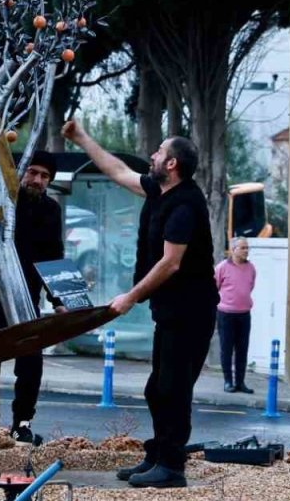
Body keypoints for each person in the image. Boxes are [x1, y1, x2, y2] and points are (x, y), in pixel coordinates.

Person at [63, 121, 218, 489]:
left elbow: (171, 263)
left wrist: (129, 297)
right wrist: (81, 137)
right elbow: (118, 171)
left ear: (172, 164)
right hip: (171, 312)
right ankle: (158, 455)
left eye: (159, 152)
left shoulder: (185, 204)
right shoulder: (159, 190)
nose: (152, 155)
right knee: (157, 389)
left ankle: (172, 467)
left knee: (174, 390)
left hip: (192, 313)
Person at [0, 150, 66, 450]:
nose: (38, 180)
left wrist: (59, 298)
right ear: (18, 172)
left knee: (31, 360)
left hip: (25, 294)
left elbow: (53, 256)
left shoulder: (50, 210)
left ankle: (22, 425)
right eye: (32, 172)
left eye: (45, 176)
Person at [215, 237, 255, 394]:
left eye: (247, 247)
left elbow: (250, 286)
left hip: (244, 314)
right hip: (226, 314)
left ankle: (240, 382)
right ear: (233, 250)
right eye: (242, 248)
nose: (246, 250)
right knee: (226, 349)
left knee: (242, 349)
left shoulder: (251, 268)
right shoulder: (222, 267)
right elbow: (215, 287)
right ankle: (228, 381)